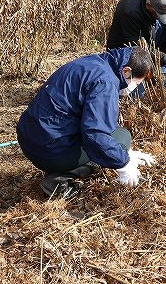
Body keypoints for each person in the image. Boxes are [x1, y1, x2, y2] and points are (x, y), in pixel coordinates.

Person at [16, 46, 156, 198]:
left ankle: (60, 165)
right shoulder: (106, 82)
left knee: (117, 140)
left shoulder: (94, 63)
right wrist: (123, 163)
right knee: (122, 137)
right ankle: (58, 180)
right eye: (136, 83)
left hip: (30, 137)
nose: (135, 88)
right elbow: (96, 135)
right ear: (126, 71)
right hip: (49, 148)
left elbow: (97, 120)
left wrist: (126, 153)